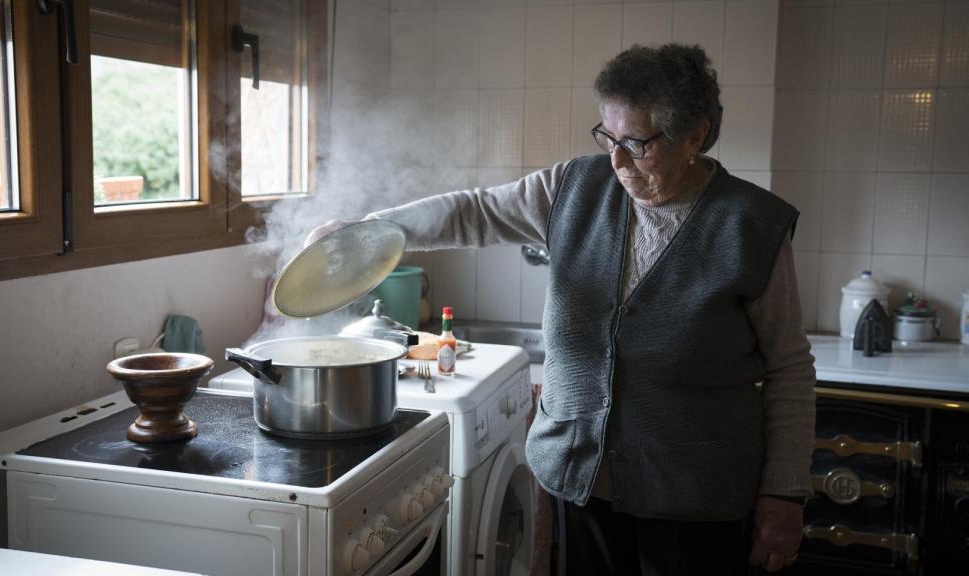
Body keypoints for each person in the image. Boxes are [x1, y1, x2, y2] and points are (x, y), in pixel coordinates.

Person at [308, 44, 815, 575]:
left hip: (696, 494)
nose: (616, 160)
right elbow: (473, 211)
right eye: (608, 137)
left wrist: (784, 495)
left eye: (636, 143)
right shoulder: (574, 187)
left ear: (694, 136)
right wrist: (368, 232)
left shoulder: (751, 225)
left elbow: (789, 368)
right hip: (581, 480)